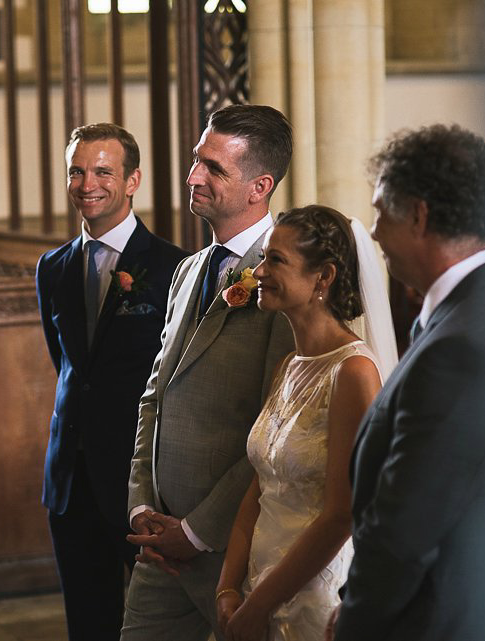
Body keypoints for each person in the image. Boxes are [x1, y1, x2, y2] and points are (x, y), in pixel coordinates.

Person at [122, 104, 296, 640]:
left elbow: (276, 427)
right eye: (198, 160)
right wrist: (142, 505)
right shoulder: (189, 269)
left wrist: (196, 532)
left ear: (259, 186)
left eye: (214, 168)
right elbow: (156, 395)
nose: (193, 175)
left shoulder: (286, 277)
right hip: (159, 543)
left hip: (232, 549)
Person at [332, 125, 485, 641]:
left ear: (420, 216)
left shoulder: (461, 346)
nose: (374, 231)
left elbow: (404, 531)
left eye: (380, 212)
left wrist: (355, 621)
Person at [214, 206, 397, 641]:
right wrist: (226, 587)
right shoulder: (289, 366)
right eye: (263, 257)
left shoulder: (353, 373)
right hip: (257, 585)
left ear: (323, 277)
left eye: (276, 260)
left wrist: (259, 605)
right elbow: (258, 488)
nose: (258, 271)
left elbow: (341, 515)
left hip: (315, 599)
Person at [36, 123, 188, 640]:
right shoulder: (52, 268)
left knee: (158, 624)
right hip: (71, 479)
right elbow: (69, 365)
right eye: (76, 171)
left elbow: (174, 380)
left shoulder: (172, 267)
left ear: (132, 180)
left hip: (138, 482)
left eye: (103, 171)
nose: (87, 183)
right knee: (88, 624)